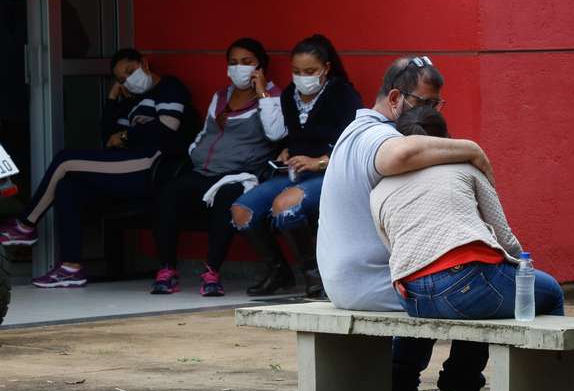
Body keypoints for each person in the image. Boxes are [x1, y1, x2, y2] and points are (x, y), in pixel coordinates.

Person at [316, 56, 574, 391]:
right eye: (426, 103)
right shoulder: (376, 136)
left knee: (429, 280)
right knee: (500, 289)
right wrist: (472, 150)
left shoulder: (363, 149)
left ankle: (400, 388)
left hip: (367, 277)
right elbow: (404, 155)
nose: (432, 110)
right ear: (396, 98)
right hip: (371, 281)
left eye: (437, 104)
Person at [369, 106, 574, 391]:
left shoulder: (379, 190)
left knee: (466, 298)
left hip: (412, 294)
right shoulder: (464, 168)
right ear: (444, 140)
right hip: (468, 284)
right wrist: (519, 270)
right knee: (546, 292)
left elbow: (395, 247)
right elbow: (503, 234)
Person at [0, 48, 192, 288]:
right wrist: (113, 98)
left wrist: (125, 137)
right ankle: (71, 268)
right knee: (68, 187)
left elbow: (167, 126)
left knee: (65, 160)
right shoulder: (133, 100)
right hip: (125, 166)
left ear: (143, 63)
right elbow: (108, 138)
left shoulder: (170, 87)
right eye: (122, 79)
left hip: (151, 166)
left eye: (130, 72)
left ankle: (25, 224)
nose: (128, 81)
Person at [231, 34, 362, 299]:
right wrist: (288, 149)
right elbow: (294, 134)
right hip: (295, 171)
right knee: (241, 210)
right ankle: (278, 271)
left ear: (326, 68)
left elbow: (355, 141)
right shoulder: (290, 94)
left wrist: (320, 161)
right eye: (296, 71)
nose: (302, 77)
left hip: (331, 171)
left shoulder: (343, 94)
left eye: (310, 71)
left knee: (285, 206)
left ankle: (314, 275)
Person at [151, 38, 283, 297]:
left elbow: (276, 133)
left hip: (240, 175)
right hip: (204, 171)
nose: (239, 68)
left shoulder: (273, 96)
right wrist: (195, 152)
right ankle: (166, 270)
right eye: (233, 63)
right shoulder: (221, 96)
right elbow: (204, 133)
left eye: (247, 62)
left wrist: (262, 94)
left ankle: (211, 272)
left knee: (225, 198)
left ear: (260, 66)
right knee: (169, 192)